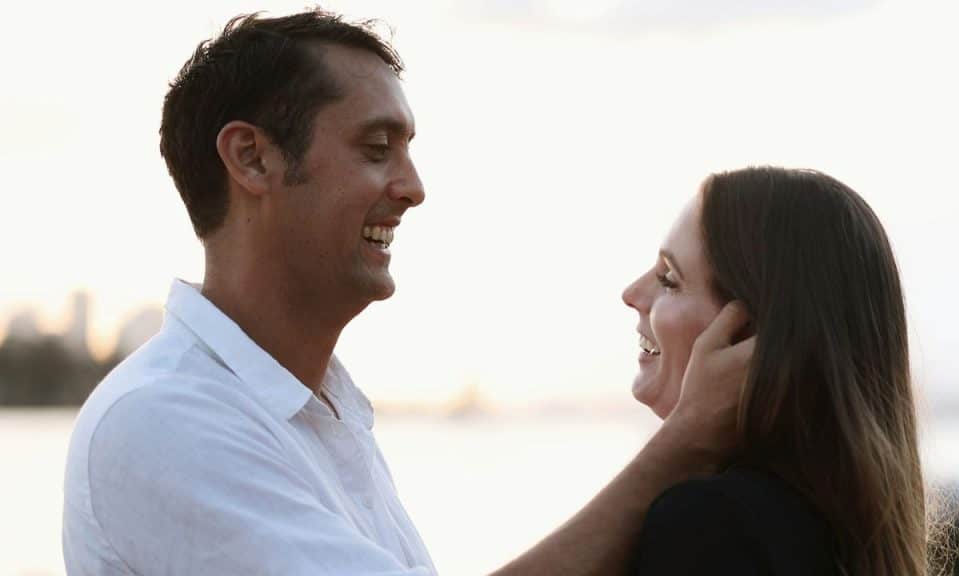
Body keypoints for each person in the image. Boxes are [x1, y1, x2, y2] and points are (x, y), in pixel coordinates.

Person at [61, 10, 754, 575]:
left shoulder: (319, 411)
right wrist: (682, 446)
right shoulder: (162, 422)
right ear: (252, 158)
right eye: (376, 148)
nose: (413, 188)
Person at [622, 167, 937, 576]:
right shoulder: (835, 530)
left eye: (669, 280)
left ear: (747, 337)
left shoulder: (710, 525)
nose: (631, 294)